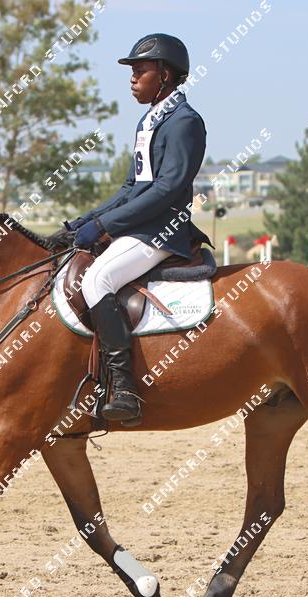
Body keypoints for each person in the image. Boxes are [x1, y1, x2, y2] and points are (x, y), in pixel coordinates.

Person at [66, 33, 209, 425]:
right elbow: (131, 187)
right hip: (137, 229)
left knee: (97, 279)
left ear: (164, 74)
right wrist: (87, 220)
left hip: (161, 231)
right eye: (132, 71)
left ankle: (124, 387)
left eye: (140, 70)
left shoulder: (185, 122)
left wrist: (105, 225)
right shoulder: (149, 121)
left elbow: (168, 189)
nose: (132, 78)